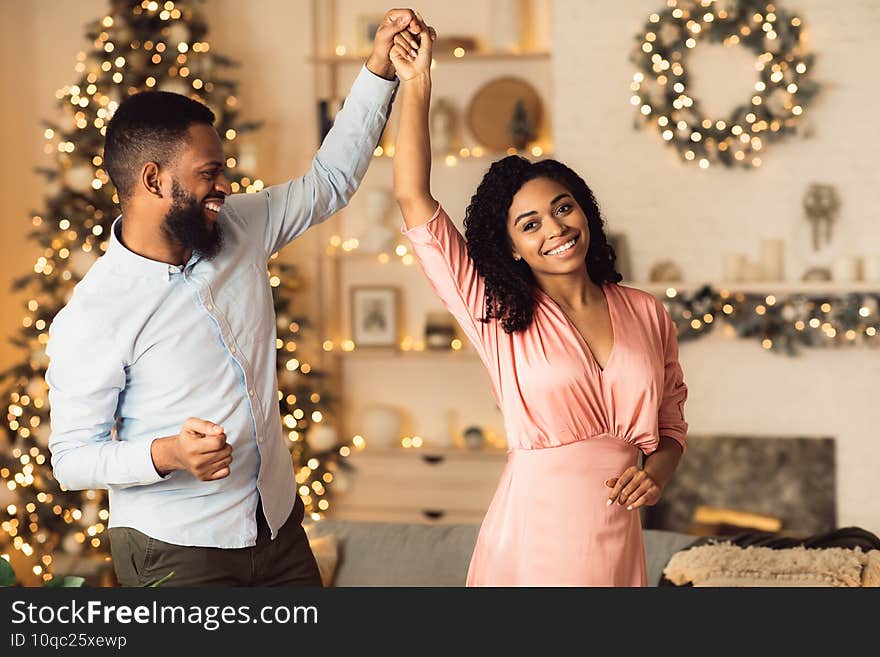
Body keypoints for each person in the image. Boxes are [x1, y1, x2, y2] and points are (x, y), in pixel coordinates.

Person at [45, 8, 430, 587]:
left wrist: (379, 68)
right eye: (209, 174)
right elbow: (71, 459)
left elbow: (329, 183)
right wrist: (168, 453)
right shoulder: (95, 313)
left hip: (277, 528)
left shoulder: (240, 227)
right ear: (153, 180)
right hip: (174, 548)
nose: (226, 187)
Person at [389, 24, 688, 585]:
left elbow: (670, 426)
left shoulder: (646, 311)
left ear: (585, 211)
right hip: (534, 537)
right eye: (531, 224)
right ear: (512, 247)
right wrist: (417, 82)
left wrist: (659, 474)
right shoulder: (497, 311)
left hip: (618, 536)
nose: (555, 229)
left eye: (563, 208)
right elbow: (414, 200)